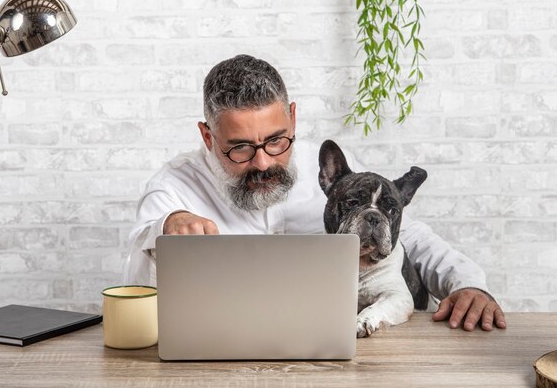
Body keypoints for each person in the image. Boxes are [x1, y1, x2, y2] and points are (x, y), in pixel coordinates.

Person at [124, 54, 507, 332]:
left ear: (293, 116)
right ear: (208, 136)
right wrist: (171, 224)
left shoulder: (333, 173)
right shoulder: (173, 186)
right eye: (240, 148)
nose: (262, 164)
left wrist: (467, 282)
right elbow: (144, 248)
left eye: (276, 140)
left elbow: (409, 236)